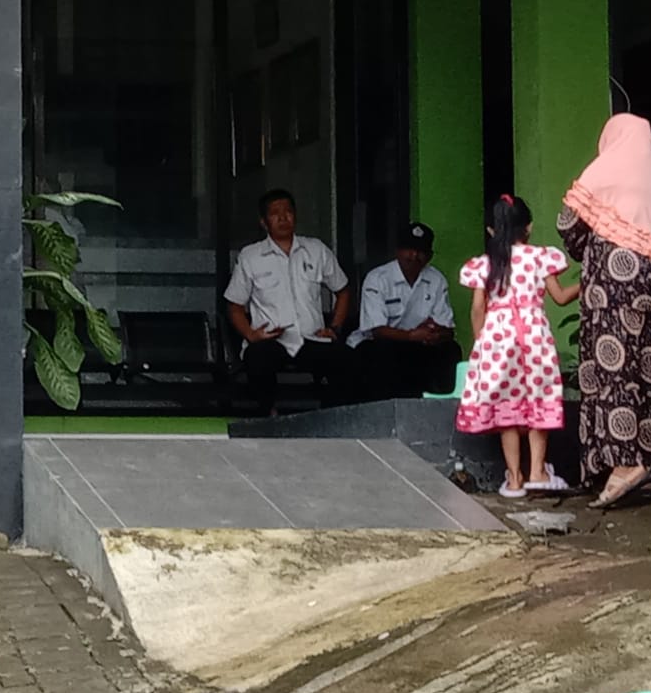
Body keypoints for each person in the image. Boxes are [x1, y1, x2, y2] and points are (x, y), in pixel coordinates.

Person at [559, 113, 651, 509]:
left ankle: (624, 464)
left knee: (616, 373)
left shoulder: (603, 173)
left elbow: (569, 226)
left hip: (615, 290)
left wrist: (595, 246)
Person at [456, 195, 578, 497]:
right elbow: (561, 297)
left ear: (491, 230)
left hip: (497, 339)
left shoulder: (485, 264)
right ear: (529, 227)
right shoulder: (540, 258)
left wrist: (480, 341)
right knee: (539, 398)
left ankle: (514, 478)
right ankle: (538, 471)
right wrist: (591, 281)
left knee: (506, 407)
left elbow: (478, 308)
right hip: (534, 336)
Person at [224, 189, 352, 416]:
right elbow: (234, 306)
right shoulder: (250, 256)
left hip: (312, 338)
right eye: (275, 213)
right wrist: (251, 334)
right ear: (264, 222)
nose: (283, 218)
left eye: (288, 212)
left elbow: (343, 291)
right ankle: (269, 415)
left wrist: (334, 328)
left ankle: (334, 418)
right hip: (272, 340)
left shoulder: (316, 250)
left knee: (344, 357)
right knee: (257, 358)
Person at [348, 221, 462, 400]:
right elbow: (377, 331)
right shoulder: (377, 278)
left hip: (419, 343)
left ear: (430, 256)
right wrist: (411, 336)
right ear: (397, 251)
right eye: (409, 249)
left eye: (420, 251)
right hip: (381, 342)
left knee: (450, 349)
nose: (414, 256)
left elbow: (448, 329)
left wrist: (436, 334)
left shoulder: (436, 279)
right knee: (381, 353)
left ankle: (442, 408)